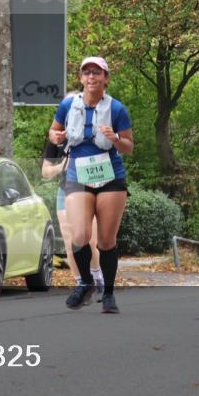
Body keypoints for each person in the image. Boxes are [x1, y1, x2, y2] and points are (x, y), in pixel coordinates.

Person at [49, 56, 133, 314]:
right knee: (80, 235)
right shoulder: (67, 105)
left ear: (105, 78)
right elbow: (53, 133)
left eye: (97, 73)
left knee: (106, 241)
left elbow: (128, 147)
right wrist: (57, 136)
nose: (91, 77)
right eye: (87, 73)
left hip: (110, 177)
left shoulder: (117, 109)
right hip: (78, 175)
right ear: (81, 78)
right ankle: (85, 282)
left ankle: (108, 293)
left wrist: (115, 138)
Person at [41, 120, 103, 295]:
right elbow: (45, 172)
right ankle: (81, 285)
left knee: (89, 241)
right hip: (66, 190)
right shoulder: (57, 138)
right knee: (70, 241)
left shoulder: (93, 133)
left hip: (91, 190)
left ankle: (98, 277)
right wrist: (62, 166)